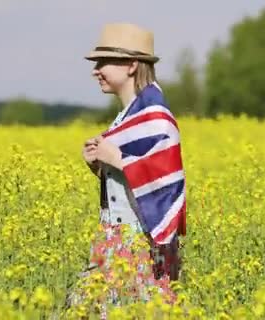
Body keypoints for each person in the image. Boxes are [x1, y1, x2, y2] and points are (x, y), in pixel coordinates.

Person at [66, 23, 187, 316]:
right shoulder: (125, 118)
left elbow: (166, 183)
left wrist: (116, 156)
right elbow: (131, 183)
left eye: (104, 61)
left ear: (131, 65)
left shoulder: (156, 117)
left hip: (140, 247)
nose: (96, 69)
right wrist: (98, 164)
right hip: (114, 241)